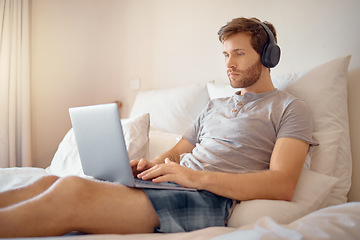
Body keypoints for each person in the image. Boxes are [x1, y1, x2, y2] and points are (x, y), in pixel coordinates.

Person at [0, 17, 315, 238]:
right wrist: (152, 165)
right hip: (172, 185)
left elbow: (282, 185)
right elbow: (176, 154)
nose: (229, 63)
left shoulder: (289, 108)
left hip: (207, 197)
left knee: (72, 191)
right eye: (225, 54)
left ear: (268, 57)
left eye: (239, 53)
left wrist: (194, 177)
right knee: (54, 181)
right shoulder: (214, 106)